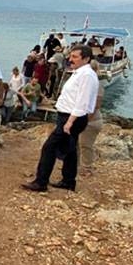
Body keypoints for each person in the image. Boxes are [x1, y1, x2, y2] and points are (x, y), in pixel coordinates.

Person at [21, 45, 99, 192]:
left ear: (86, 59)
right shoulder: (80, 73)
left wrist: (70, 122)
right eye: (71, 56)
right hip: (69, 116)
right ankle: (68, 181)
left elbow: (82, 102)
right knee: (70, 150)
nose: (70, 59)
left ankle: (41, 182)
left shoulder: (86, 75)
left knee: (49, 148)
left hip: (71, 118)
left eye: (75, 57)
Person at [78, 60, 105, 176]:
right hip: (85, 118)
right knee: (80, 144)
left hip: (92, 120)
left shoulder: (97, 84)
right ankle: (79, 166)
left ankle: (87, 168)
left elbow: (96, 105)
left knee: (85, 144)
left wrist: (86, 120)